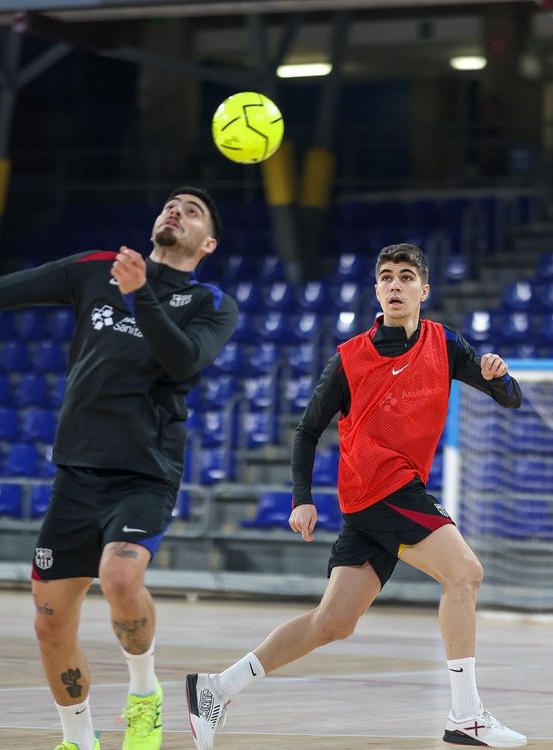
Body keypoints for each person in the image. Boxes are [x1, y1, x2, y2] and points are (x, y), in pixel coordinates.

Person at [0, 187, 238, 750]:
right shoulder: (93, 271)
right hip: (77, 473)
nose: (175, 211)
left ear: (205, 243)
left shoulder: (212, 303)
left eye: (192, 211)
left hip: (144, 472)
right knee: (49, 622)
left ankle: (144, 696)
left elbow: (182, 359)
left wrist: (142, 298)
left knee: (120, 576)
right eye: (170, 204)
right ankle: (78, 739)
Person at [185, 242, 527, 748]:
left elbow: (510, 396)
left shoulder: (444, 344)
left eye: (406, 277)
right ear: (376, 289)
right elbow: (306, 431)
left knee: (333, 623)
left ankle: (216, 688)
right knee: (466, 574)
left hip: (379, 501)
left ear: (423, 290)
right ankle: (466, 716)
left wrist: (500, 376)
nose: (395, 285)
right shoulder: (350, 359)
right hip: (380, 487)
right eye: (386, 277)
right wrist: (302, 497)